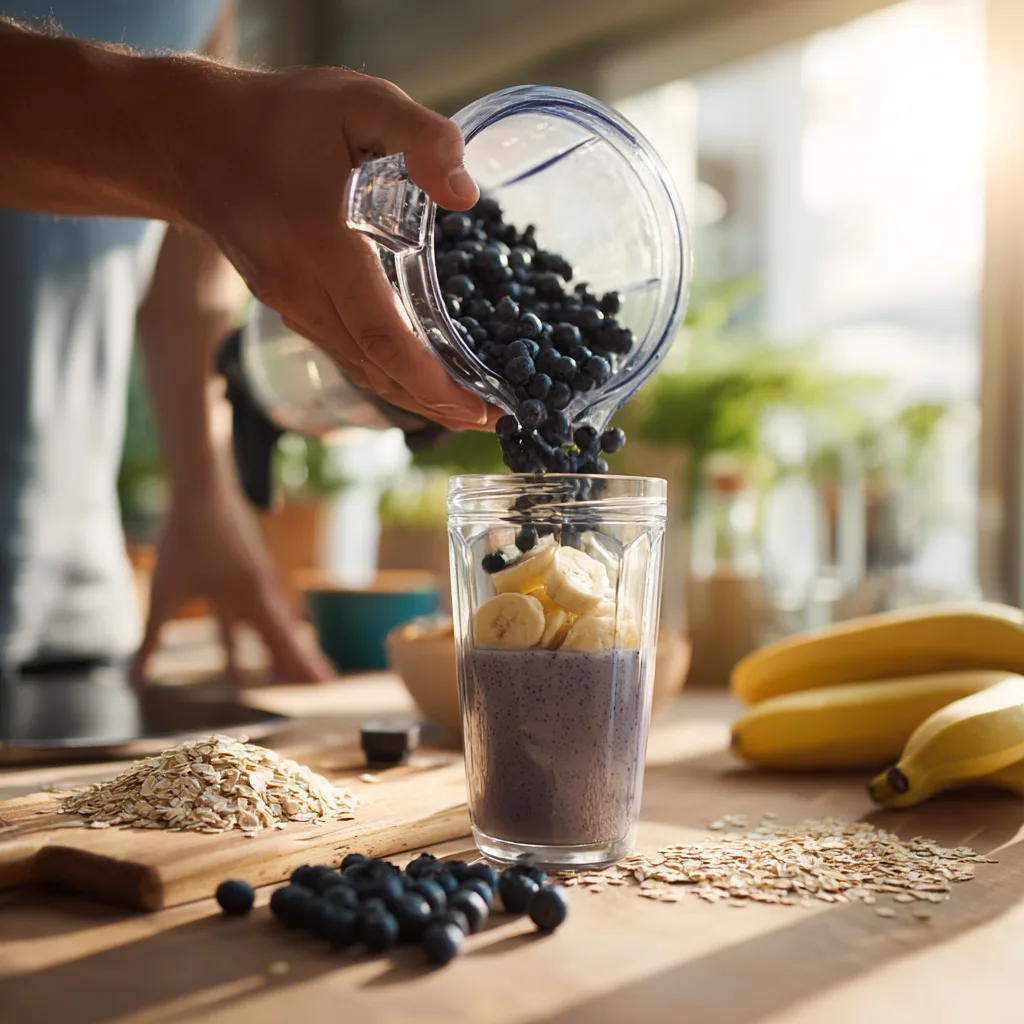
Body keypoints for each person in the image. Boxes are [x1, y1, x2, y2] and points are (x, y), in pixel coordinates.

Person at [0, 2, 487, 695]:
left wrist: (203, 487)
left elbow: (186, 255)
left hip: (71, 615)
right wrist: (214, 132)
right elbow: (198, 171)